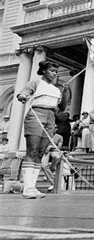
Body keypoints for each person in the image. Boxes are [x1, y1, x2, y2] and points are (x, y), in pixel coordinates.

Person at [16, 60, 68, 199]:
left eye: (56, 71)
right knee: (32, 149)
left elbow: (61, 108)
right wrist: (23, 97)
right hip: (36, 113)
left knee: (41, 152)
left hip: (51, 116)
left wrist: (66, 91)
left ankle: (32, 187)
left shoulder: (56, 89)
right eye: (52, 71)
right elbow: (22, 94)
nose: (54, 73)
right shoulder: (36, 83)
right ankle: (27, 188)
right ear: (44, 71)